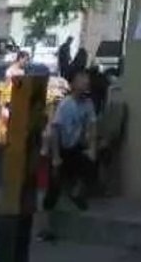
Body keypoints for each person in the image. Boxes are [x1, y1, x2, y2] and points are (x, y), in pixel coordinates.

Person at [40, 69, 97, 239]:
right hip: (59, 148)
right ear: (73, 85)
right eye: (81, 79)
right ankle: (45, 228)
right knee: (53, 189)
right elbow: (55, 132)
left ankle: (76, 193)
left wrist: (92, 148)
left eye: (86, 80)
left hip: (75, 148)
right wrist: (56, 157)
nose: (85, 82)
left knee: (90, 167)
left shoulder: (88, 104)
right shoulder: (66, 105)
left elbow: (93, 125)